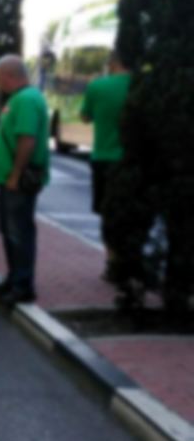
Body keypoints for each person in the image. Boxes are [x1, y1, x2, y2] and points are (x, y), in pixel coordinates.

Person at [0, 55, 51, 306]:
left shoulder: (26, 99)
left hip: (17, 180)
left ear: (8, 75)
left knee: (18, 232)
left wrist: (15, 174)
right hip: (8, 178)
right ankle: (14, 278)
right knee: (9, 230)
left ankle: (23, 285)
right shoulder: (18, 98)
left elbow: (27, 139)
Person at [80, 52, 130, 281]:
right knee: (130, 212)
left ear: (112, 63)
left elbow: (85, 117)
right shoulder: (141, 86)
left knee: (107, 213)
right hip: (132, 159)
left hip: (104, 157)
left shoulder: (97, 86)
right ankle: (130, 261)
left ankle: (112, 261)